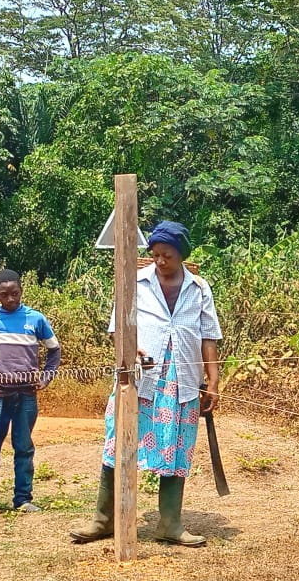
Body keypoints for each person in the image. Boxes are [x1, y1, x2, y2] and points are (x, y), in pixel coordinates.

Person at [69, 220, 222, 547]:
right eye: (154, 255)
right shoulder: (135, 283)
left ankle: (170, 523)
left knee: (177, 449)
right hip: (139, 380)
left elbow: (209, 336)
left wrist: (214, 379)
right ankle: (104, 519)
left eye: (166, 255)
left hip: (182, 382)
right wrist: (128, 347)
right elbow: (116, 328)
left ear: (181, 255)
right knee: (118, 442)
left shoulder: (199, 288)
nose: (160, 261)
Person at [0, 269, 62, 514]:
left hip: (26, 394)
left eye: (15, 294)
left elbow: (54, 350)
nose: (10, 299)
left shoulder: (35, 318)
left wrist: (47, 376)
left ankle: (23, 499)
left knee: (24, 447)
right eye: (4, 295)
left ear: (21, 291)